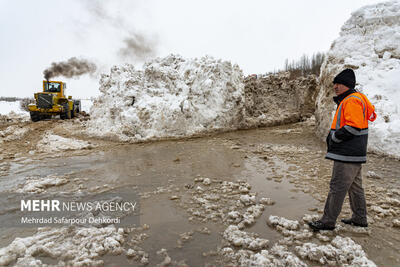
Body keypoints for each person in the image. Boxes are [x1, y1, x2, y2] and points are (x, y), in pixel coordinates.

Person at [308, 69, 377, 231]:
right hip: (354, 153)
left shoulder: (351, 100)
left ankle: (327, 221)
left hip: (347, 153)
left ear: (348, 85)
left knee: (337, 187)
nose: (335, 86)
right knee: (355, 187)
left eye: (339, 83)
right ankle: (359, 218)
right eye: (334, 83)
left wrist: (334, 138)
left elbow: (353, 127)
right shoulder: (354, 99)